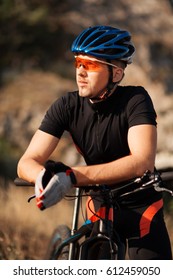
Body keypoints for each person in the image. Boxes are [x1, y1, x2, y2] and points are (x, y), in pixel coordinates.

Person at [17, 25, 172, 260]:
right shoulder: (67, 106)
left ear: (116, 74)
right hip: (98, 206)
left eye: (90, 65)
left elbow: (142, 162)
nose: (80, 72)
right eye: (78, 63)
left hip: (141, 209)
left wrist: (70, 177)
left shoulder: (136, 100)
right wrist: (43, 177)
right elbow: (27, 161)